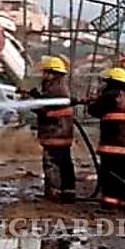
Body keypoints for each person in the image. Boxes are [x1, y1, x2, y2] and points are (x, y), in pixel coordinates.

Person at [87, 66, 125, 208]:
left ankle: (109, 204)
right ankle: (120, 201)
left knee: (109, 176)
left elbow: (94, 110)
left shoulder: (110, 95)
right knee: (121, 175)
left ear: (111, 82)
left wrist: (93, 101)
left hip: (111, 145)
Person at [33, 56, 76, 203]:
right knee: (65, 163)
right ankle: (68, 192)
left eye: (45, 72)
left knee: (52, 163)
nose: (43, 75)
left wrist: (32, 101)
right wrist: (36, 96)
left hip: (54, 133)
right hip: (63, 133)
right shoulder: (60, 87)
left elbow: (44, 109)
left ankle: (54, 193)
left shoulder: (53, 88)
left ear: (52, 73)